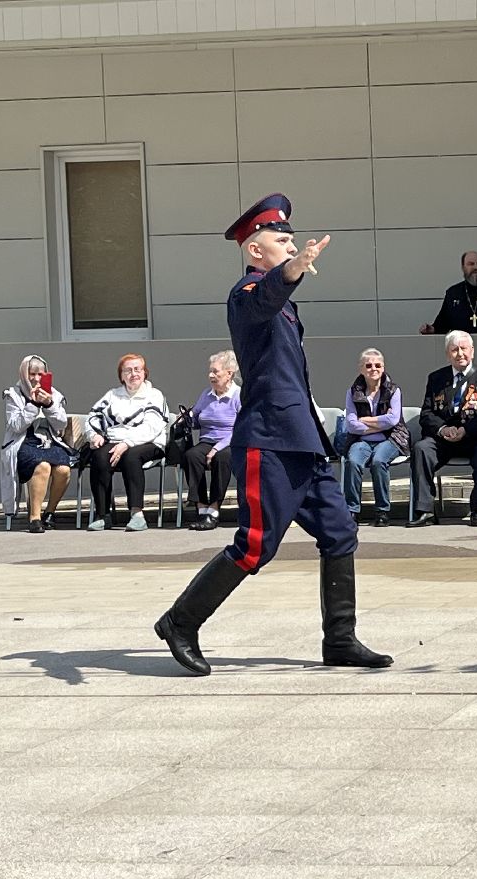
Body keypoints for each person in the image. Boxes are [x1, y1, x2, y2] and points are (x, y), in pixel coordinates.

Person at [156, 193, 390, 676]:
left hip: (301, 442)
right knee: (256, 544)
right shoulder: (246, 294)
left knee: (340, 532)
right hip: (268, 442)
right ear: (255, 251)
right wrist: (292, 270)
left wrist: (290, 275)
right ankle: (180, 622)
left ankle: (340, 640)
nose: (291, 245)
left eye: (292, 240)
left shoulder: (284, 305)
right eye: (281, 240)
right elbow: (264, 298)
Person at [409, 331, 477, 527]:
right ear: (447, 354)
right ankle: (425, 510)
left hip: (476, 438)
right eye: (454, 350)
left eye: (464, 349)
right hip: (444, 439)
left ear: (472, 351)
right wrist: (443, 429)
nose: (460, 353)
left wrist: (466, 431)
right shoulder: (436, 379)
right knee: (421, 449)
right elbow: (426, 414)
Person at [86, 353, 169, 532]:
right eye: (128, 371)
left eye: (137, 369)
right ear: (121, 376)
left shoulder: (154, 395)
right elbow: (93, 416)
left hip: (149, 442)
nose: (133, 374)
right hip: (115, 439)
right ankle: (103, 515)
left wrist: (127, 443)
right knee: (100, 456)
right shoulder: (112, 395)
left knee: (131, 456)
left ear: (145, 373)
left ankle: (137, 514)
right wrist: (95, 435)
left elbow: (151, 427)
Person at [1, 354, 72, 533]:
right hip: (23, 442)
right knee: (43, 466)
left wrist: (49, 405)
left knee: (63, 470)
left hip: (49, 441)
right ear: (24, 373)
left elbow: (61, 424)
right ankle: (35, 517)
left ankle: (49, 512)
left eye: (41, 374)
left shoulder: (54, 394)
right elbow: (16, 426)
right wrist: (33, 404)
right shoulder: (13, 394)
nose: (36, 378)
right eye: (32, 374)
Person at [340, 348, 408, 527]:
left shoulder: (393, 390)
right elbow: (351, 424)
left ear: (383, 367)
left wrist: (366, 420)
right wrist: (379, 424)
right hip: (361, 441)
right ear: (361, 369)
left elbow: (393, 421)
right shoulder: (352, 392)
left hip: (391, 439)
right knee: (353, 461)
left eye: (378, 365)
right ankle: (352, 510)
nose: (373, 369)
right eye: (368, 365)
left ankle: (382, 511)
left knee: (379, 462)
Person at [183, 350, 242, 531]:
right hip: (207, 440)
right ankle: (201, 508)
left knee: (222, 459)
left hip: (231, 442)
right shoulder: (206, 395)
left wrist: (217, 448)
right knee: (191, 456)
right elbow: (196, 419)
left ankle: (214, 509)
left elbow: (242, 428)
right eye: (210, 371)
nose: (211, 375)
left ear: (229, 373)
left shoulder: (239, 396)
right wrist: (187, 419)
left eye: (216, 372)